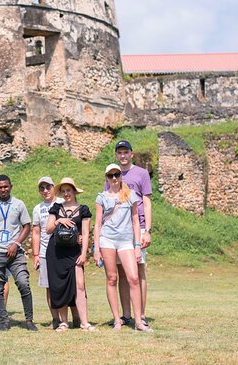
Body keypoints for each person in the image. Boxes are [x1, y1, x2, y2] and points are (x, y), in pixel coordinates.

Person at [94, 163, 152, 332]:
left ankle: (139, 320)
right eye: (110, 175)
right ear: (106, 178)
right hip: (107, 240)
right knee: (112, 278)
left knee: (133, 277)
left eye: (117, 175)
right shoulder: (101, 197)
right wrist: (96, 249)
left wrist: (136, 245)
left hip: (126, 241)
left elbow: (135, 221)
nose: (114, 178)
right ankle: (117, 320)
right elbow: (97, 225)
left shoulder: (130, 195)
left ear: (121, 177)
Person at [0, 174, 37, 332]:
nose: (3, 189)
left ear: (10, 187)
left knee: (24, 283)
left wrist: (16, 243)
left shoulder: (19, 204)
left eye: (5, 186)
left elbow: (27, 226)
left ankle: (29, 319)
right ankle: (3, 321)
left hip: (15, 252)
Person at [45, 178, 95, 332]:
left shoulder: (83, 209)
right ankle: (64, 322)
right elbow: (47, 229)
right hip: (56, 252)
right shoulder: (56, 208)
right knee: (59, 286)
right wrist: (59, 220)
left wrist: (84, 253)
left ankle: (84, 322)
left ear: (74, 192)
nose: (66, 193)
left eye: (69, 190)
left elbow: (85, 233)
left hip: (74, 251)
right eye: (64, 191)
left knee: (80, 285)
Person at [31, 176, 80, 329]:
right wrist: (36, 255)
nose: (45, 190)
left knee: (70, 285)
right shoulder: (37, 208)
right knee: (50, 286)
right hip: (46, 251)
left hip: (65, 250)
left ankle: (76, 317)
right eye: (42, 188)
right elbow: (36, 232)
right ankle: (55, 319)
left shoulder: (62, 202)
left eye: (48, 187)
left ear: (53, 188)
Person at [114, 140, 153, 327]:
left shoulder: (142, 173)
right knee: (122, 272)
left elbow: (147, 202)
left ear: (132, 154)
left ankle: (142, 314)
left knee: (138, 271)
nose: (123, 156)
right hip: (120, 230)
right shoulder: (113, 174)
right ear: (116, 155)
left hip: (139, 228)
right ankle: (126, 314)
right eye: (119, 153)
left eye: (125, 152)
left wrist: (148, 231)